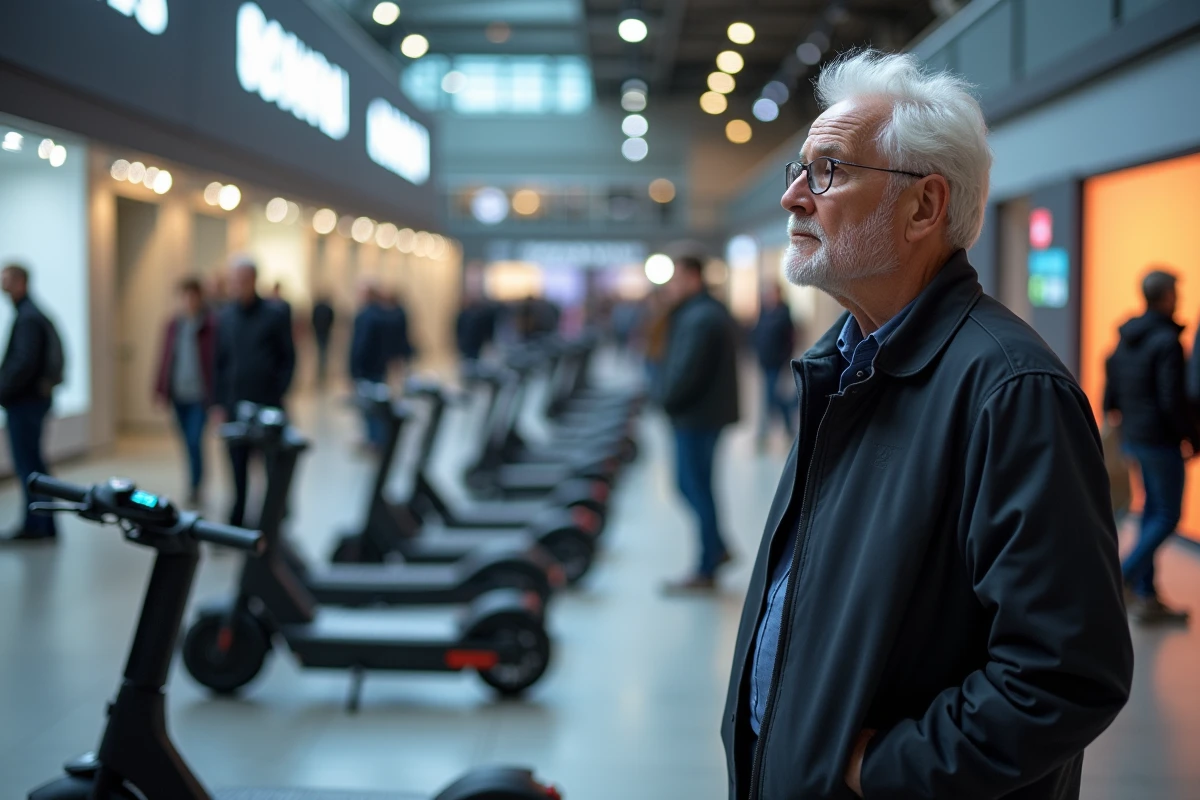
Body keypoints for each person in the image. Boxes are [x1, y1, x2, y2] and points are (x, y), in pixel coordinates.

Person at [721, 50, 1132, 800]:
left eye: (829, 171)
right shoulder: (842, 367)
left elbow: (1065, 675)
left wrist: (883, 771)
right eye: (798, 170)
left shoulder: (1010, 393)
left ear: (923, 207)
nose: (793, 200)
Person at [1104, 269, 1196, 624]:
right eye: (1176, 291)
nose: (1180, 297)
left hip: (1134, 438)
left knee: (1153, 513)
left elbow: (1111, 385)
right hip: (1160, 442)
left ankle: (1145, 594)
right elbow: (1173, 399)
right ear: (1166, 296)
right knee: (1168, 516)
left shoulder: (1127, 337)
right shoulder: (1167, 342)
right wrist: (1192, 437)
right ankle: (1121, 578)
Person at [658, 256, 740, 593]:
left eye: (675, 278)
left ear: (692, 277)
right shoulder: (702, 312)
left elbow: (686, 371)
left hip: (696, 416)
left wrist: (664, 399)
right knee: (696, 486)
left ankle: (708, 565)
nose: (671, 286)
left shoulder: (700, 317)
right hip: (702, 414)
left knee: (693, 486)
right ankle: (715, 549)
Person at [215, 258, 295, 527]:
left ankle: (274, 516)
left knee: (272, 466)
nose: (237, 286)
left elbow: (288, 358)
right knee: (237, 468)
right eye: (233, 281)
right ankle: (237, 520)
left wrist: (278, 391)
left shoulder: (274, 315)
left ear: (253, 281)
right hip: (235, 407)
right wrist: (218, 402)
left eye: (242, 280)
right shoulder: (225, 317)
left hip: (268, 405)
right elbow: (219, 361)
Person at [0, 264, 63, 542]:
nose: (3, 285)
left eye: (7, 279)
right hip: (31, 401)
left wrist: (3, 390)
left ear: (21, 282)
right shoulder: (32, 314)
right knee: (33, 464)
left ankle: (37, 525)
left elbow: (22, 363)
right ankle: (42, 524)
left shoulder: (28, 318)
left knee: (29, 466)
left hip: (25, 403)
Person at [154, 277, 217, 508]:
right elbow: (165, 358)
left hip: (200, 396)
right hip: (178, 394)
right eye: (184, 296)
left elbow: (217, 361)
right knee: (186, 442)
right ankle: (193, 481)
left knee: (194, 440)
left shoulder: (211, 325)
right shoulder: (173, 325)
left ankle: (196, 485)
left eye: (193, 295)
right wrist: (160, 390)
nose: (188, 301)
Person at [751, 283, 797, 446]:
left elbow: (790, 341)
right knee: (769, 398)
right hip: (764, 361)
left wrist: (785, 359)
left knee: (772, 398)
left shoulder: (784, 314)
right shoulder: (765, 313)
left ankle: (766, 433)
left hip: (777, 362)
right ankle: (778, 430)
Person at [349, 280, 390, 449]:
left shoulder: (366, 316)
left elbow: (361, 344)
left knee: (370, 407)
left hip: (367, 368)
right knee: (375, 405)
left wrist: (355, 368)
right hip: (378, 367)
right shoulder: (382, 314)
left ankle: (375, 439)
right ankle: (376, 438)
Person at [311, 294, 335, 387]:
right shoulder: (320, 308)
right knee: (322, 351)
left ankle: (322, 370)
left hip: (323, 331)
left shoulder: (324, 308)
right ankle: (321, 369)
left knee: (323, 351)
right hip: (321, 331)